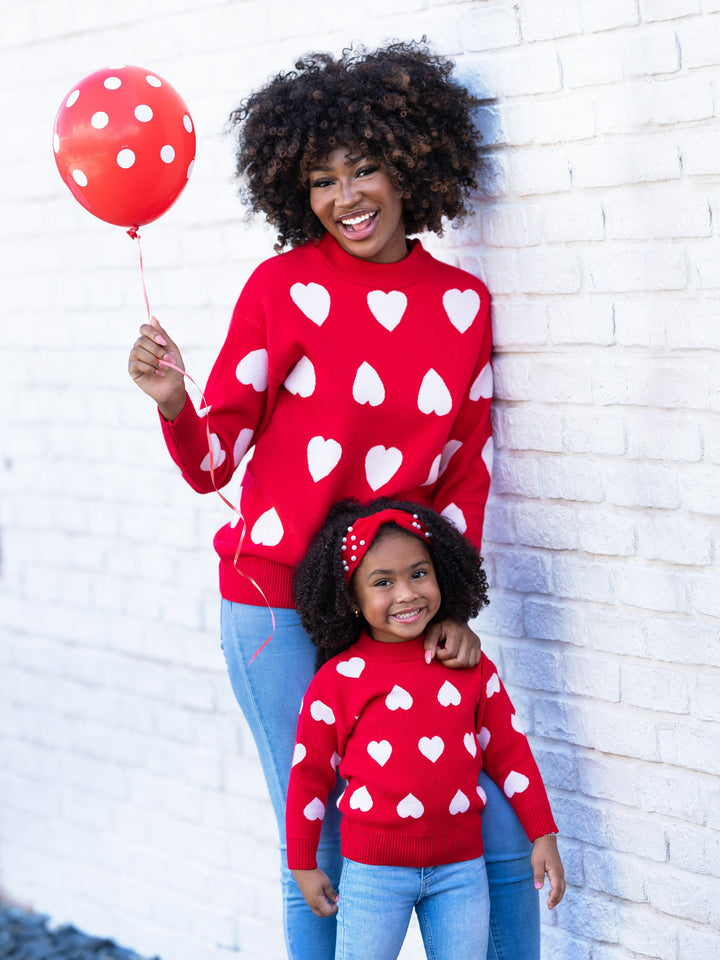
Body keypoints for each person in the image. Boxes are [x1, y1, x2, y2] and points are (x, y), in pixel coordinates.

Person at [127, 40, 536, 960]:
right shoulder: (283, 289)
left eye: (365, 169)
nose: (346, 197)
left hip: (392, 611)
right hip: (275, 606)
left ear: (412, 165)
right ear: (294, 193)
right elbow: (214, 461)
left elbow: (464, 471)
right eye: (321, 180)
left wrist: (453, 610)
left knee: (500, 831)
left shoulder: (465, 304)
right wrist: (174, 405)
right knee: (319, 843)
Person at [287, 498, 565, 960]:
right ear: (351, 600)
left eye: (418, 573)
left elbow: (510, 753)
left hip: (461, 870)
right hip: (374, 872)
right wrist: (302, 863)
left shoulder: (468, 667)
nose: (406, 593)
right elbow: (309, 776)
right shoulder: (337, 681)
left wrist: (543, 834)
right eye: (382, 582)